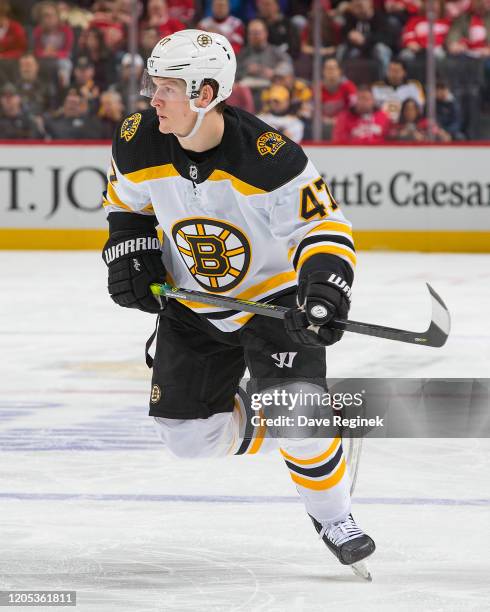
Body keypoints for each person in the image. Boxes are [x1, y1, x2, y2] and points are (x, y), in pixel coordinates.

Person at [102, 29, 375, 576]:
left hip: (274, 304)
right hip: (193, 306)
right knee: (188, 440)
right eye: (153, 85)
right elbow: (127, 208)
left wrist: (322, 289)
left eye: (167, 88)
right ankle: (269, 415)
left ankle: (335, 515)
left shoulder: (269, 158)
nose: (153, 98)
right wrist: (128, 253)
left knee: (301, 419)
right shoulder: (137, 139)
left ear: (205, 94)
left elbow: (322, 229)